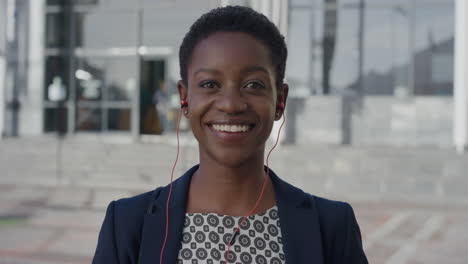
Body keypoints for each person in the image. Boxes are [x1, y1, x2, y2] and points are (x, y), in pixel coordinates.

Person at [92, 6, 368, 264]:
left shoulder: (332, 227)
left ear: (280, 101)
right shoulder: (128, 224)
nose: (231, 104)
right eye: (210, 84)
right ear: (184, 98)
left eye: (253, 85)